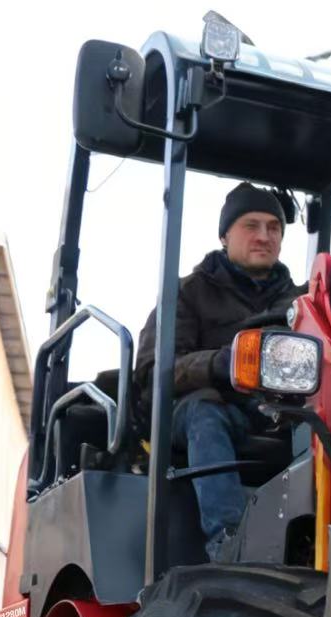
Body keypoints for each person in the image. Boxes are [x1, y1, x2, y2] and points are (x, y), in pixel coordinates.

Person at [135, 182, 300, 559]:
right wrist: (223, 363)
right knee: (205, 413)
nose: (264, 236)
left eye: (274, 227)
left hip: (280, 415)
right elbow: (153, 371)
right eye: (251, 225)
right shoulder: (188, 293)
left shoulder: (301, 300)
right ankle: (230, 544)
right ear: (225, 235)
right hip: (205, 411)